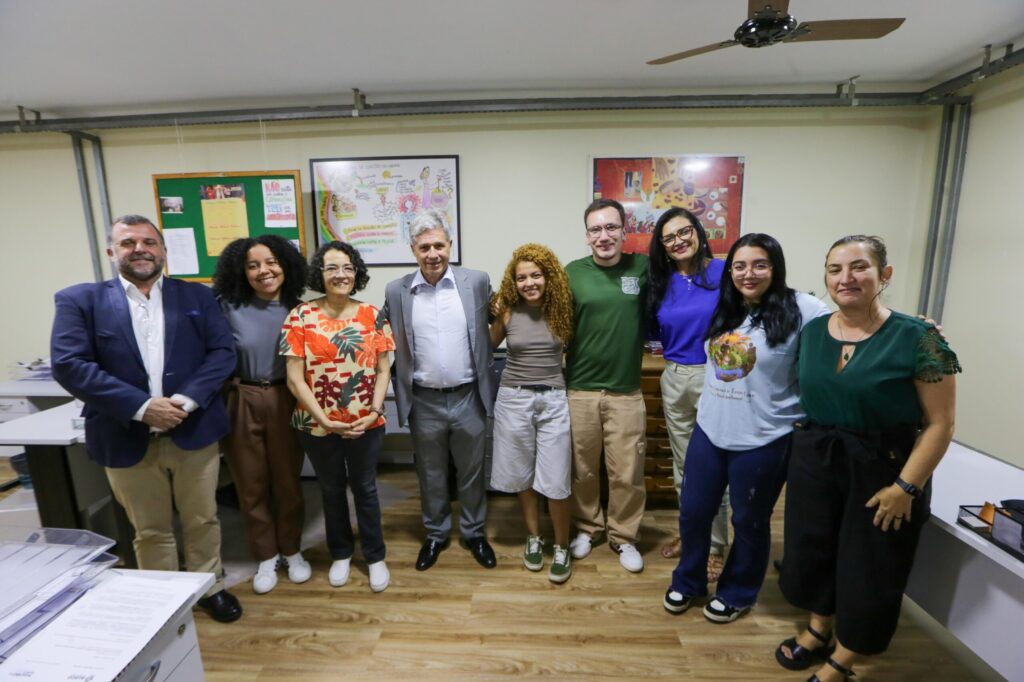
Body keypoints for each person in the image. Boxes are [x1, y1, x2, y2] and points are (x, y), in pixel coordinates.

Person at [776, 235, 960, 681]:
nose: (846, 278)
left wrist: (905, 487)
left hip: (885, 467)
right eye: (835, 269)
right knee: (815, 548)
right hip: (818, 458)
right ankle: (819, 628)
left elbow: (941, 424)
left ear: (885, 275)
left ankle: (847, 655)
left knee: (871, 563)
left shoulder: (919, 338)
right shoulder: (814, 333)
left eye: (859, 267)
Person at [51, 214, 242, 623]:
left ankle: (211, 586)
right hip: (125, 435)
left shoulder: (198, 297)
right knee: (151, 529)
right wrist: (142, 406)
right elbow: (70, 365)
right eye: (127, 243)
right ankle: (163, 600)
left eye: (148, 242)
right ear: (111, 252)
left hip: (193, 431)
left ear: (163, 251)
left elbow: (222, 353)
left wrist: (186, 400)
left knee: (202, 519)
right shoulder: (80, 301)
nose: (140, 249)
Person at [662, 233, 829, 623]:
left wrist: (909, 327)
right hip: (711, 428)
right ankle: (688, 581)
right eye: (739, 265)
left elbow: (850, 329)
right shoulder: (727, 307)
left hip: (765, 437)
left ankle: (738, 591)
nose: (748, 273)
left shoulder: (804, 308)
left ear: (775, 268)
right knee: (693, 512)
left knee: (749, 520)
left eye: (759, 265)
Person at [383, 209, 497, 571]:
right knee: (430, 473)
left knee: (472, 471)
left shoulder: (476, 282)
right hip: (423, 399)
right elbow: (379, 336)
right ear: (413, 250)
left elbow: (504, 316)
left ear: (451, 245)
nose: (433, 254)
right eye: (424, 247)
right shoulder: (397, 291)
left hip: (468, 397)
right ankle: (435, 534)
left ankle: (474, 532)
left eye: (439, 245)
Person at [281, 241, 395, 592]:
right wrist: (324, 419)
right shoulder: (300, 316)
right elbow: (293, 377)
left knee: (365, 488)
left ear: (356, 273)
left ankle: (375, 557)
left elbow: (384, 369)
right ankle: (341, 553)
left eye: (347, 267)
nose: (340, 274)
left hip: (367, 423)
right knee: (330, 489)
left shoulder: (373, 315)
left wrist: (374, 410)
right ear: (320, 274)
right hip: (317, 425)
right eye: (332, 268)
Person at [212, 235, 311, 595]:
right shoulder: (226, 306)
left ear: (285, 264)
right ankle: (266, 555)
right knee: (250, 483)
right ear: (241, 271)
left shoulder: (300, 310)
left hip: (288, 396)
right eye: (253, 265)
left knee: (287, 480)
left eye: (271, 262)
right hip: (241, 397)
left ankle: (292, 549)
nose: (263, 271)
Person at [646, 207, 730, 581]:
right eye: (669, 237)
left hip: (716, 377)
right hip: (675, 377)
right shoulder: (661, 280)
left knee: (713, 467)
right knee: (683, 468)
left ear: (698, 231)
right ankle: (691, 534)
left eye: (685, 232)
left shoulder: (723, 271)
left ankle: (715, 546)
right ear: (662, 247)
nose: (679, 241)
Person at [566, 198, 648, 573]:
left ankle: (624, 536)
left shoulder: (642, 268)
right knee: (582, 468)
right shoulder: (572, 273)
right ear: (587, 236)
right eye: (596, 229)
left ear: (624, 231)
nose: (604, 236)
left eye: (611, 227)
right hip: (579, 389)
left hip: (626, 390)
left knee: (627, 471)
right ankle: (587, 528)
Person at [489, 244, 574, 583]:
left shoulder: (562, 309)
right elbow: (488, 344)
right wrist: (493, 314)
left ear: (548, 276)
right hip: (513, 398)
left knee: (555, 480)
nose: (529, 283)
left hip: (553, 399)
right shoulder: (508, 309)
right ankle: (534, 538)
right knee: (523, 475)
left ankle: (563, 545)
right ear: (514, 281)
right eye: (521, 277)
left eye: (535, 275)